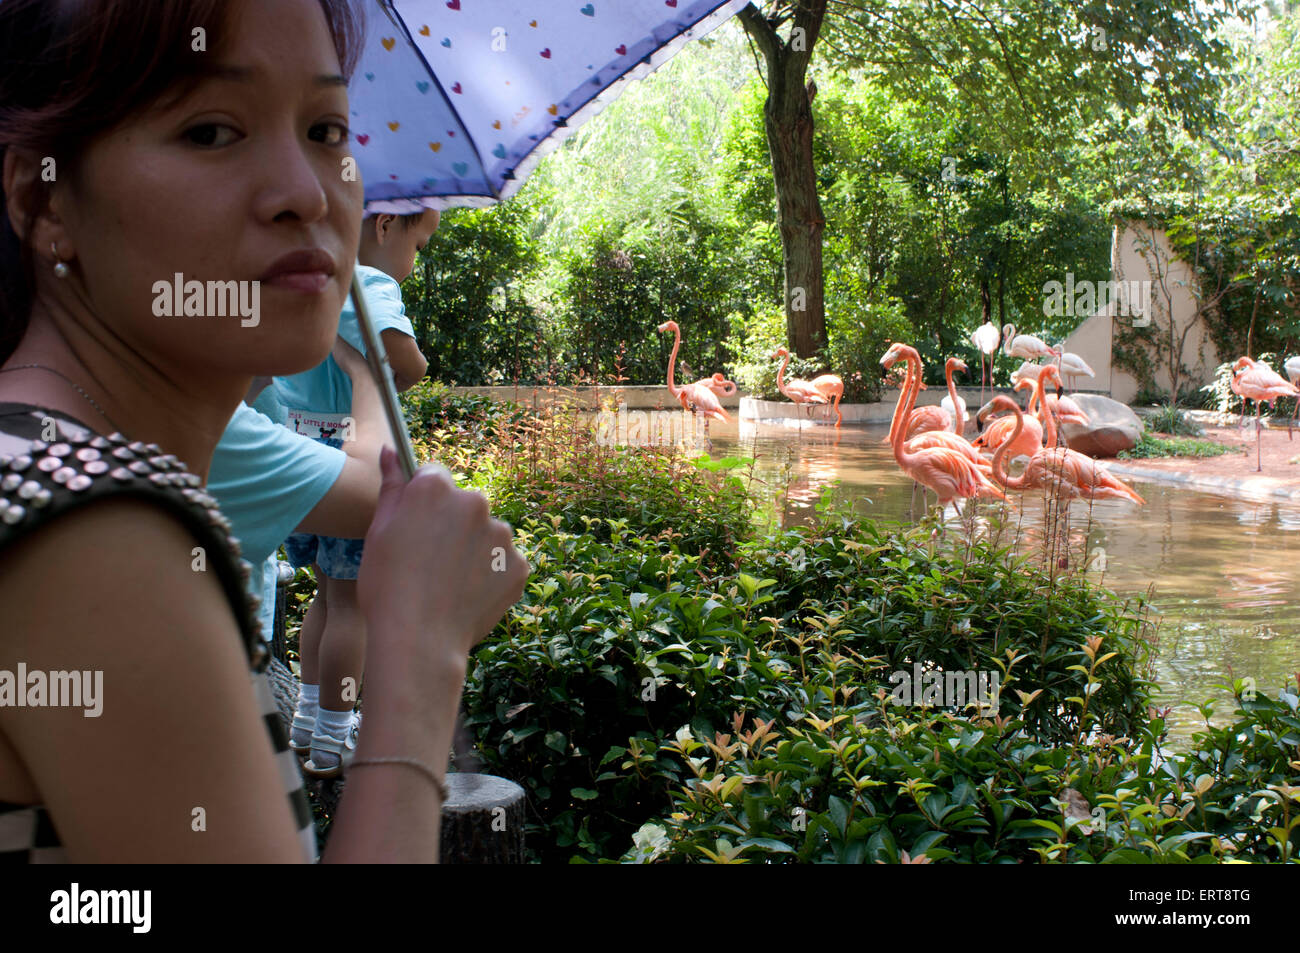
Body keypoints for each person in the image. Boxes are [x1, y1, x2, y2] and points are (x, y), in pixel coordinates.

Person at [0, 0, 528, 862]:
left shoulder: (47, 469)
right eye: (211, 132)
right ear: (44, 198)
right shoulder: (95, 533)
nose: (307, 192)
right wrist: (422, 663)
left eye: (326, 129)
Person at [276, 207, 438, 778]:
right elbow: (406, 365)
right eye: (419, 245)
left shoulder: (307, 279)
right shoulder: (370, 282)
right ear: (386, 225)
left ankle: (308, 720)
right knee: (354, 605)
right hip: (353, 456)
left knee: (324, 596)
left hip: (298, 451)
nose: (414, 265)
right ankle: (336, 738)